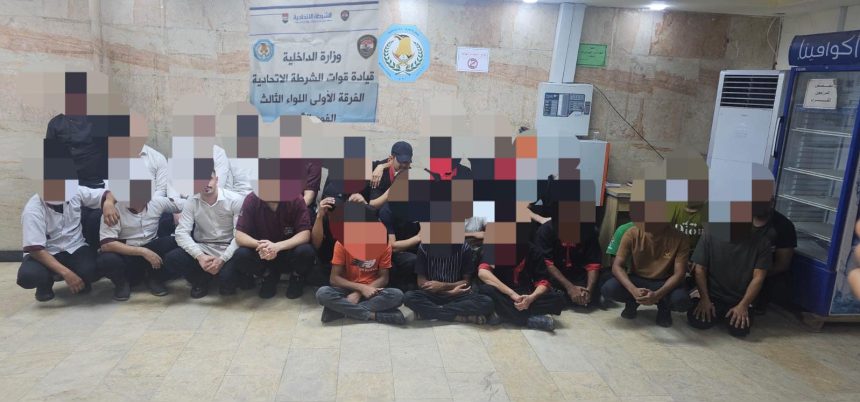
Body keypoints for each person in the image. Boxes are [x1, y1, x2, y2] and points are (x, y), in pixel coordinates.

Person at [18, 184, 118, 301]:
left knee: (94, 270)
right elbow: (36, 250)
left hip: (74, 246)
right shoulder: (32, 210)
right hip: (46, 252)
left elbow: (108, 193)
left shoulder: (75, 191)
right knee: (28, 276)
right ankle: (44, 284)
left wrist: (108, 203)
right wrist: (67, 274)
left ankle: (82, 280)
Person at [315, 204, 406, 325]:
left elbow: (384, 278)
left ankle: (338, 311)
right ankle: (374, 315)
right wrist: (360, 289)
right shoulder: (342, 243)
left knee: (397, 296)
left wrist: (361, 292)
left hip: (372, 290)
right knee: (322, 293)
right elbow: (334, 279)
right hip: (347, 288)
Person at [164, 170, 245, 299]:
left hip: (229, 247)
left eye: (209, 179)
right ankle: (201, 281)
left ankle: (220, 277)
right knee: (172, 258)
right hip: (204, 247)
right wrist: (200, 256)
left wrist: (222, 259)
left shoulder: (235, 200)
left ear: (216, 179)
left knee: (227, 283)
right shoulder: (191, 201)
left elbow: (240, 235)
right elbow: (181, 233)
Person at [687, 223, 772, 337]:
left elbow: (759, 277)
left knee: (739, 329)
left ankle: (732, 312)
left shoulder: (762, 242)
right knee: (697, 321)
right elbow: (700, 269)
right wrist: (704, 299)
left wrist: (743, 305)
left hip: (740, 298)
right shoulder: (709, 234)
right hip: (713, 295)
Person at [227, 190, 315, 299]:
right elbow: (240, 235)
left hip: (287, 250)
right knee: (241, 254)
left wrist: (277, 246)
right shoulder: (251, 199)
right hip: (263, 253)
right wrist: (262, 245)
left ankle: (296, 277)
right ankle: (267, 276)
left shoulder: (296, 198)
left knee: (306, 251)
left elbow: (305, 234)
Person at [477, 223, 566, 331]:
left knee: (558, 298)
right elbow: (483, 272)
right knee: (486, 291)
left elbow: (543, 282)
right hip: (502, 291)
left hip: (524, 293)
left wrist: (531, 298)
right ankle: (528, 320)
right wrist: (511, 294)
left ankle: (504, 315)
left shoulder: (533, 251)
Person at [601, 221, 691, 327]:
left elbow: (679, 274)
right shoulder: (632, 233)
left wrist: (657, 295)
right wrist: (633, 290)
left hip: (664, 282)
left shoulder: (681, 238)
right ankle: (632, 302)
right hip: (638, 279)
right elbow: (617, 266)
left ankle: (664, 308)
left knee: (681, 300)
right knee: (609, 288)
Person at [97, 192, 182, 301]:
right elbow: (107, 244)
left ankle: (155, 278)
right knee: (106, 259)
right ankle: (122, 284)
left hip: (152, 249)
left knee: (175, 242)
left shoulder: (156, 202)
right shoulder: (114, 209)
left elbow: (187, 204)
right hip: (128, 254)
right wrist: (143, 251)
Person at [403, 240, 495, 324]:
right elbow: (421, 283)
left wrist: (444, 287)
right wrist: (446, 292)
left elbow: (467, 282)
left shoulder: (463, 247)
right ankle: (457, 317)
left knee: (486, 302)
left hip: (457, 293)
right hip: (432, 293)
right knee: (409, 297)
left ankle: (428, 313)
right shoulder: (424, 246)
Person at [752, 199, 797, 314]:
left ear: (772, 202)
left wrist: (754, 276)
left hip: (765, 275)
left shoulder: (783, 225)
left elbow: (782, 264)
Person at [350, 141, 413, 208]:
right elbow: (373, 205)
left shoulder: (404, 172)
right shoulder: (379, 175)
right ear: (391, 158)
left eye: (407, 162)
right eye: (401, 161)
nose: (404, 165)